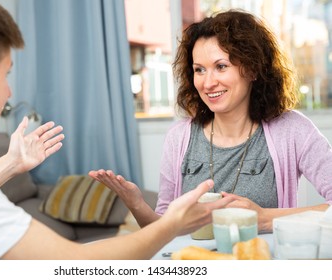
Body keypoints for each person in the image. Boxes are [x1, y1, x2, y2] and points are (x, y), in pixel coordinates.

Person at [0, 0, 236, 260]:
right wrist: (173, 223)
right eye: (6, 74)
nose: (9, 92)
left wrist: (12, 163)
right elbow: (73, 264)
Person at [89, 9, 332, 233]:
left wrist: (266, 218)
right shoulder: (179, 137)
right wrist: (137, 204)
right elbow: (165, 230)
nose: (208, 83)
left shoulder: (293, 130)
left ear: (253, 69)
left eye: (221, 66)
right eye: (199, 70)